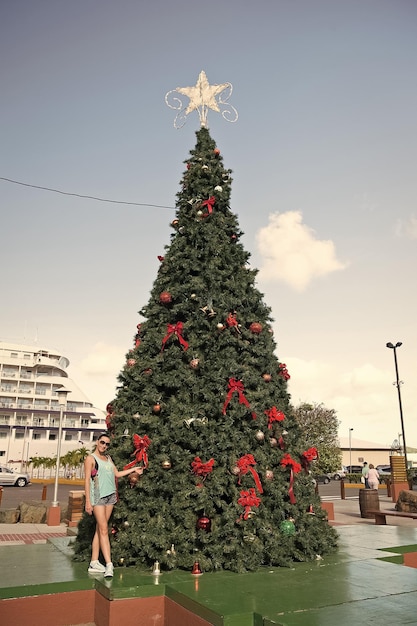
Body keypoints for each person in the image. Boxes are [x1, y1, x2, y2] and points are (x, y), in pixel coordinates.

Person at [84, 432, 143, 578]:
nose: (104, 445)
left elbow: (116, 474)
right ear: (97, 442)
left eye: (107, 444)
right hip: (98, 497)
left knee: (100, 528)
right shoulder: (91, 459)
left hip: (110, 496)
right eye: (102, 442)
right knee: (104, 530)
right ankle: (109, 565)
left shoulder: (108, 458)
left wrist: (133, 469)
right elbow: (86, 481)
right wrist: (88, 502)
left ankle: (94, 562)